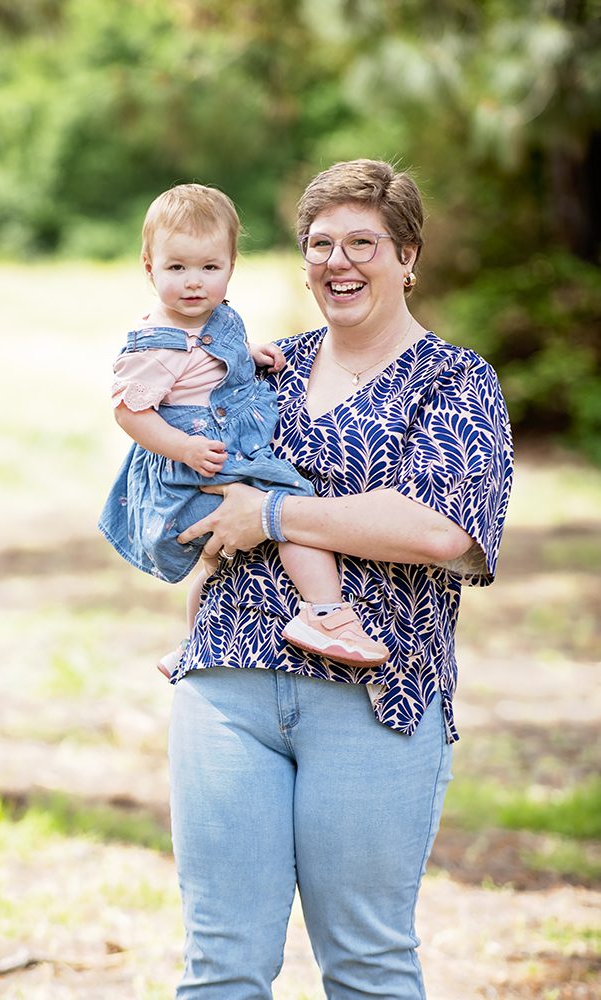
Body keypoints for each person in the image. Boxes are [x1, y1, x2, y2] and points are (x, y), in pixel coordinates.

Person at [166, 159, 514, 999]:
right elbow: (191, 481)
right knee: (221, 965)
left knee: (365, 962)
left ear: (407, 256)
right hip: (228, 683)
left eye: (362, 243)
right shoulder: (263, 366)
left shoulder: (455, 380)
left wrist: (273, 514)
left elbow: (438, 529)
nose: (337, 262)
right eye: (319, 245)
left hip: (373, 698)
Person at [98, 183, 390, 671]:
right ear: (149, 267)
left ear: (231, 267)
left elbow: (209, 361)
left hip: (219, 450)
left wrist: (246, 356)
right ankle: (325, 612)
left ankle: (194, 642)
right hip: (198, 463)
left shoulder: (211, 319)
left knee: (216, 564)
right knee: (290, 502)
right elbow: (130, 412)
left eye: (210, 268)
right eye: (177, 268)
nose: (194, 283)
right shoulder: (156, 345)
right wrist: (184, 448)